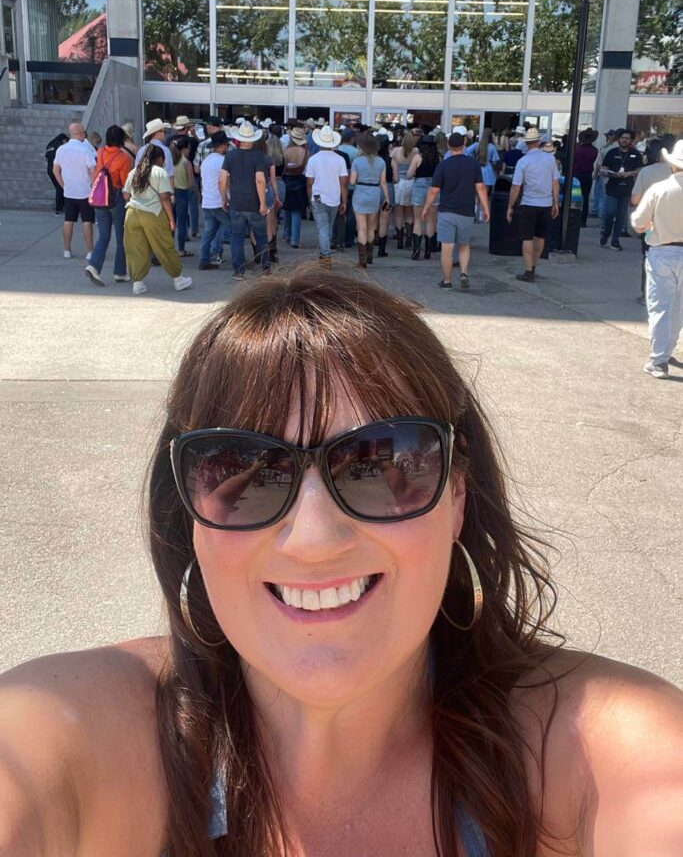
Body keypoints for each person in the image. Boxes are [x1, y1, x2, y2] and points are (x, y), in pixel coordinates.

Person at [4, 270, 682, 857]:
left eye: (380, 462)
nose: (313, 538)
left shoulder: (600, 751)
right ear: (186, 510)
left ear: (456, 493)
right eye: (244, 468)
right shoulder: (78, 733)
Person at [631, 139, 683, 379]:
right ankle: (668, 349)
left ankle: (659, 359)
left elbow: (638, 223)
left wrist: (651, 226)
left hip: (662, 249)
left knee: (660, 306)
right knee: (678, 307)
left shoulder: (660, 188)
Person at [423, 131, 490, 291]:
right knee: (464, 245)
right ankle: (464, 272)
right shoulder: (472, 163)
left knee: (447, 247)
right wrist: (485, 208)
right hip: (466, 211)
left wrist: (426, 207)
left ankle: (447, 281)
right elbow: (480, 187)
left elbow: (434, 190)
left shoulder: (443, 165)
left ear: (448, 146)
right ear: (464, 145)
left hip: (447, 210)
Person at [122, 144, 192, 296]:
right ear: (159, 158)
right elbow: (164, 198)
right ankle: (178, 279)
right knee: (164, 246)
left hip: (132, 213)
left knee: (136, 248)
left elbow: (126, 195)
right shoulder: (159, 172)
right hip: (153, 213)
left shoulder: (134, 171)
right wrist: (171, 220)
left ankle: (138, 283)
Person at [506, 128, 560, 283]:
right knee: (540, 236)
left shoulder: (523, 161)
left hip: (529, 202)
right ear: (539, 142)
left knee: (527, 237)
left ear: (526, 143)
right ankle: (534, 265)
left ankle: (528, 270)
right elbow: (555, 182)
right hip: (546, 202)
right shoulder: (549, 159)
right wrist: (556, 202)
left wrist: (510, 206)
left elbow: (516, 186)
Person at [84, 125, 134, 286]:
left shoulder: (100, 152)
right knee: (121, 237)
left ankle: (93, 266)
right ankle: (120, 272)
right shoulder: (124, 158)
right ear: (121, 139)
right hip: (116, 199)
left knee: (104, 236)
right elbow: (125, 182)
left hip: (100, 198)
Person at [222, 121, 270, 280]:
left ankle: (238, 271)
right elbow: (260, 180)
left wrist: (224, 198)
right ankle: (265, 268)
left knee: (237, 237)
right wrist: (263, 203)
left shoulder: (229, 156)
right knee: (261, 236)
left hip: (236, 202)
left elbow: (222, 179)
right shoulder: (259, 156)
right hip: (254, 202)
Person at [52, 121, 96, 260]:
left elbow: (55, 170)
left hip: (69, 191)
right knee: (87, 221)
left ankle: (67, 250)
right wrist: (94, 186)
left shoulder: (61, 149)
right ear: (80, 133)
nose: (85, 135)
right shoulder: (85, 150)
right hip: (85, 190)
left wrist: (63, 185)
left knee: (68, 220)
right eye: (84, 132)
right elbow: (93, 170)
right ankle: (89, 251)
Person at [306, 124, 348, 268]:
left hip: (318, 197)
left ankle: (325, 255)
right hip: (334, 198)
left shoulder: (313, 159)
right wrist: (345, 201)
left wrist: (309, 198)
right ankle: (325, 254)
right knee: (328, 227)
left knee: (323, 228)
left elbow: (309, 183)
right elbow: (344, 184)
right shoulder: (339, 159)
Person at [350, 130, 389, 269]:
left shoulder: (357, 161)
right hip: (375, 193)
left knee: (361, 227)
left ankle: (362, 261)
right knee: (372, 227)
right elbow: (383, 182)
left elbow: (352, 181)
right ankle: (370, 256)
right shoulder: (381, 162)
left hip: (360, 192)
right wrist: (387, 198)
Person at [600, 129, 642, 252]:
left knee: (621, 216)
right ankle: (605, 233)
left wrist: (630, 173)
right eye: (622, 138)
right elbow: (603, 168)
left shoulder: (635, 154)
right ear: (619, 139)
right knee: (610, 212)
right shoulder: (611, 152)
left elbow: (640, 169)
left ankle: (615, 241)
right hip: (612, 187)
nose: (624, 140)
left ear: (631, 140)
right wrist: (610, 174)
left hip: (627, 188)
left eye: (627, 138)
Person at [198, 131, 232, 272]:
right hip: (219, 201)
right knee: (235, 228)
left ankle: (204, 260)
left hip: (207, 200)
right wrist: (228, 198)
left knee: (208, 233)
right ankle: (238, 260)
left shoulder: (206, 161)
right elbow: (224, 182)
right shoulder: (222, 161)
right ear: (222, 146)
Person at [409, 134, 440, 260]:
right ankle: (428, 251)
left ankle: (416, 251)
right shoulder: (438, 158)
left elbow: (409, 174)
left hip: (419, 186)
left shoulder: (418, 157)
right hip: (433, 187)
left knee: (418, 220)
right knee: (431, 220)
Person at [171, 136, 200, 258]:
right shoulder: (186, 163)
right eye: (188, 148)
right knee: (182, 223)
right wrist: (197, 193)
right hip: (183, 193)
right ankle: (181, 249)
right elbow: (191, 183)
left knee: (171, 222)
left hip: (171, 193)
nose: (189, 151)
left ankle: (169, 248)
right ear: (183, 149)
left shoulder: (170, 162)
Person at [391, 131, 419, 249]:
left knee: (398, 214)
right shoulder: (416, 151)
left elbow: (395, 173)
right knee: (409, 213)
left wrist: (396, 181)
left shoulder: (395, 151)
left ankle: (399, 241)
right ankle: (409, 238)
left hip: (399, 183)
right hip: (412, 182)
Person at [282, 126, 309, 249]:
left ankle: (287, 234)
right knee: (296, 211)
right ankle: (295, 239)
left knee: (287, 209)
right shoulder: (306, 152)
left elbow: (283, 168)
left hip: (287, 180)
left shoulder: (286, 150)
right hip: (300, 181)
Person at [265, 129, 286, 263]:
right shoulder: (283, 158)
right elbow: (284, 172)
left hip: (269, 185)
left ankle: (271, 247)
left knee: (269, 219)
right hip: (281, 184)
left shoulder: (266, 158)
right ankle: (273, 244)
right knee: (275, 217)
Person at [573, 130, 599, 227]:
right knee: (585, 197)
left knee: (575, 197)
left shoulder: (576, 148)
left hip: (576, 175)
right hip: (587, 175)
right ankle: (583, 221)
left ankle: (574, 218)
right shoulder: (594, 150)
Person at [590, 130, 615, 219]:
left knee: (601, 195)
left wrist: (596, 173)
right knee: (600, 193)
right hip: (605, 173)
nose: (606, 138)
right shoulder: (607, 147)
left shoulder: (607, 148)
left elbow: (599, 163)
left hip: (605, 173)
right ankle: (596, 211)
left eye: (608, 136)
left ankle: (599, 213)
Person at [44, 131, 68, 215]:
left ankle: (61, 207)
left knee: (59, 188)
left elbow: (46, 157)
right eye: (66, 141)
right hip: (57, 168)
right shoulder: (59, 145)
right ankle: (59, 209)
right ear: (64, 139)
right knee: (60, 188)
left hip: (49, 168)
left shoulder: (50, 144)